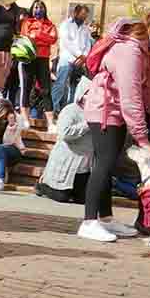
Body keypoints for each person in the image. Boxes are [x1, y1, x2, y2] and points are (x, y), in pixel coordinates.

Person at [80, 16, 150, 243]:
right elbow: (131, 96)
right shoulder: (130, 51)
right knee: (103, 164)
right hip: (104, 110)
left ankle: (105, 218)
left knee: (108, 163)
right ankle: (88, 222)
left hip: (115, 113)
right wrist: (142, 139)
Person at [36, 75, 94, 204]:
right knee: (61, 197)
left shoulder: (98, 113)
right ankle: (42, 186)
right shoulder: (70, 110)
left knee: (82, 200)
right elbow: (65, 133)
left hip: (84, 166)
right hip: (67, 162)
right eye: (89, 94)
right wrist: (87, 124)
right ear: (81, 94)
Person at [17, 0, 58, 130]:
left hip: (43, 59)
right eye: (35, 7)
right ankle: (25, 120)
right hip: (29, 57)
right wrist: (42, 37)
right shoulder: (27, 22)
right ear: (31, 9)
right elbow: (25, 37)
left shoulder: (50, 24)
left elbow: (53, 39)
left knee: (46, 90)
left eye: (40, 7)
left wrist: (37, 34)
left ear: (44, 9)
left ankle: (51, 123)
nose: (38, 10)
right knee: (26, 88)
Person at [54, 4, 92, 114]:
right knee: (60, 84)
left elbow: (87, 44)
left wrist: (84, 57)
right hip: (67, 59)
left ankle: (69, 110)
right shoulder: (65, 25)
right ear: (75, 13)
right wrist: (80, 55)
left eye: (86, 15)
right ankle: (54, 108)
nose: (84, 17)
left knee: (74, 87)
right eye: (82, 15)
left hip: (80, 62)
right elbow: (67, 43)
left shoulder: (85, 29)